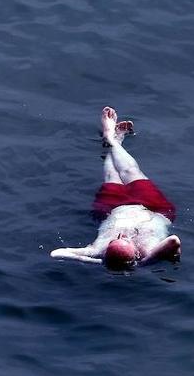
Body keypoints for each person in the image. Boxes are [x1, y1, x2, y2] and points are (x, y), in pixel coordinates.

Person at [50, 106, 181, 270]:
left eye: (115, 240)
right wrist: (145, 261)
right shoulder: (148, 251)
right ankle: (113, 140)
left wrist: (100, 260)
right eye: (125, 240)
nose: (122, 235)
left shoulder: (97, 250)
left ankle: (112, 140)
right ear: (135, 253)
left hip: (113, 209)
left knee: (112, 176)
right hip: (153, 209)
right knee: (130, 171)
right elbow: (174, 241)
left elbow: (56, 253)